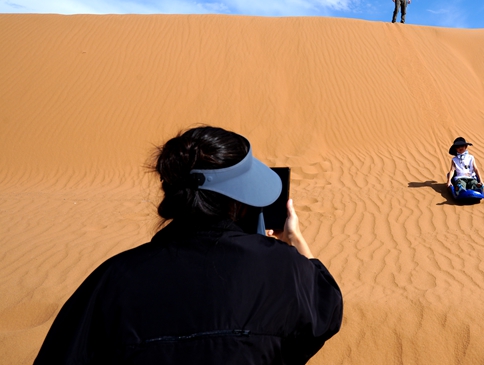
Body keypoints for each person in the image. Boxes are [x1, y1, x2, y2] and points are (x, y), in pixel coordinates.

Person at [34, 126, 343, 365]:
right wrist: (294, 243)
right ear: (240, 205)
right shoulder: (285, 270)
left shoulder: (111, 280)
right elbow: (324, 313)